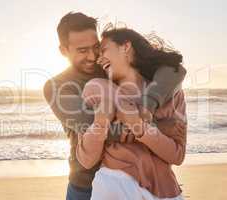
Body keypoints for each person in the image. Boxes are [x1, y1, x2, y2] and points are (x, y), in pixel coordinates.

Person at [43, 12, 186, 200]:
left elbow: (174, 70)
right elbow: (91, 124)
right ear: (63, 51)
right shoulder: (57, 86)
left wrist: (147, 105)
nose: (93, 56)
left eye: (96, 47)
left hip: (140, 178)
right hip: (85, 183)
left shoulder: (110, 66)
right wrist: (160, 128)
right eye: (82, 50)